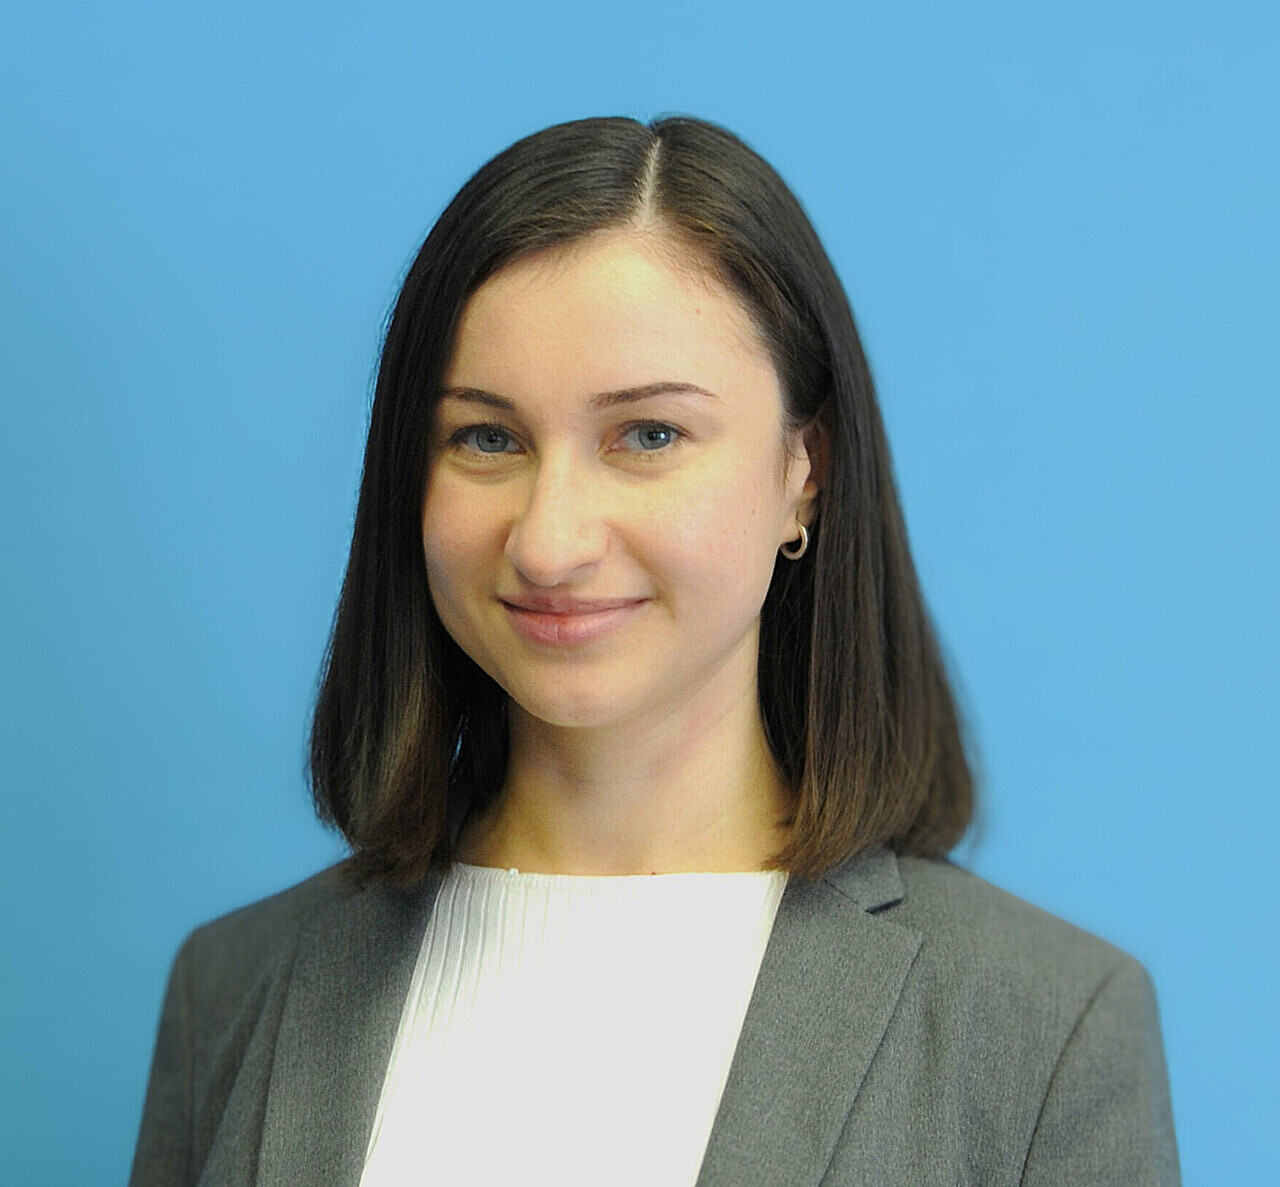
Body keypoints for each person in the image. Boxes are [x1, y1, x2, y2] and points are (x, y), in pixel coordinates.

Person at [129, 115, 1180, 1186]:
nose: (548, 542)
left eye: (648, 434)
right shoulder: (232, 988)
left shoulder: (1045, 1029)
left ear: (804, 470)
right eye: (486, 437)